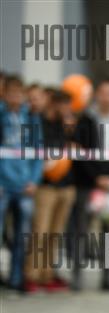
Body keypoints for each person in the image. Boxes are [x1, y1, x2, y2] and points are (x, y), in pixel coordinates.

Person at [70, 78, 109, 291]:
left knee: (108, 230)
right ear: (97, 94)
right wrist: (96, 177)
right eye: (103, 93)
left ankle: (108, 277)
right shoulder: (85, 120)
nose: (107, 97)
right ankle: (76, 276)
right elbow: (78, 152)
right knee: (81, 229)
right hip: (88, 184)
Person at [24, 90, 77, 292]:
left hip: (66, 185)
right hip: (45, 186)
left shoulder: (66, 125)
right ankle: (32, 275)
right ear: (54, 104)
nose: (68, 110)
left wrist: (70, 132)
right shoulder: (40, 123)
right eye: (64, 105)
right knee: (40, 231)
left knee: (55, 234)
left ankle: (47, 274)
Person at [0, 75, 44, 292]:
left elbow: (38, 152)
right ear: (4, 94)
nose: (15, 98)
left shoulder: (31, 118)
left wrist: (34, 180)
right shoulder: (1, 115)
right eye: (11, 93)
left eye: (19, 93)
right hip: (3, 184)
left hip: (24, 184)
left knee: (22, 235)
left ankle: (16, 278)